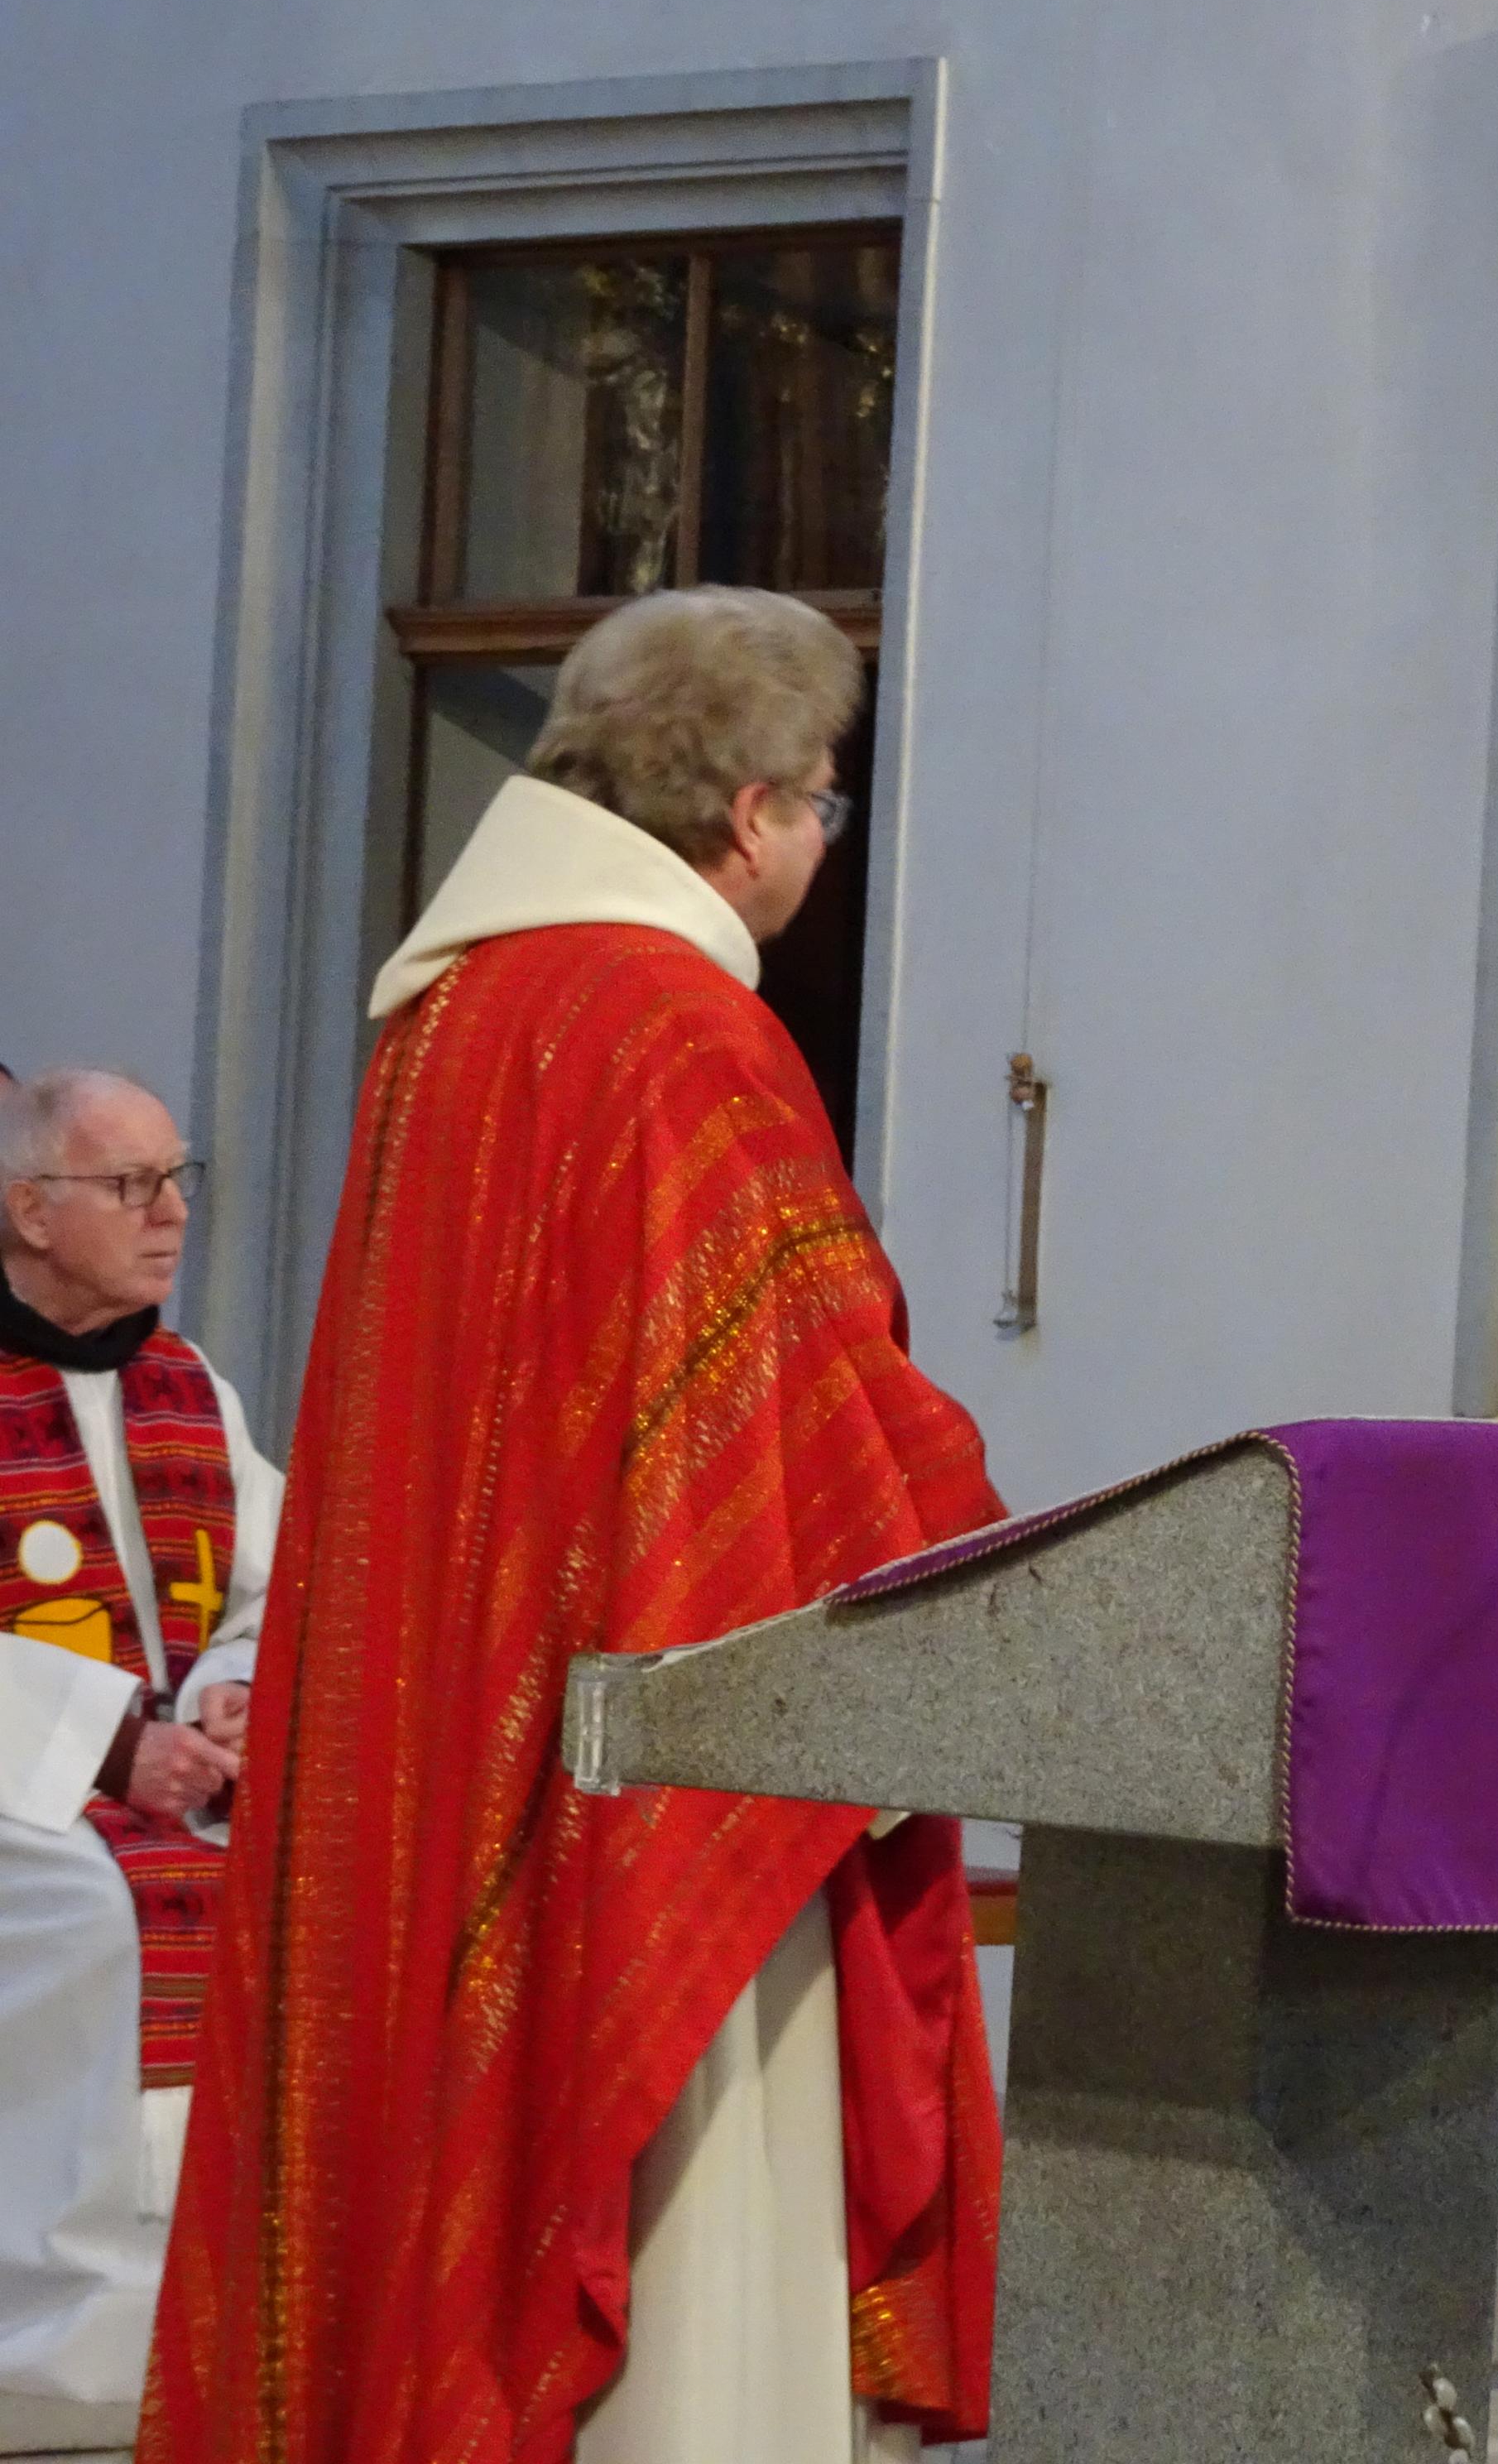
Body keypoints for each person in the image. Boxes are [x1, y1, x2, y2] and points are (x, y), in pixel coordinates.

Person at [146, 588, 1004, 2464]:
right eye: (825, 802)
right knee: (690, 2268)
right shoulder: (682, 1027)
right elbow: (818, 1429)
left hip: (467, 1719)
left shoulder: (454, 1011)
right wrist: (989, 1540)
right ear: (752, 811)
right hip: (670, 1772)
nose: (821, 840)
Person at [0, 1070, 272, 2452]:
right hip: (21, 1786)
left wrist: (233, 1690)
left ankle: (223, 2316)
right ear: (29, 1211)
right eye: (131, 1184)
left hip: (176, 1780)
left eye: (178, 1178)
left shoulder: (189, 1383)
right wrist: (110, 1745)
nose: (171, 1213)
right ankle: (58, 2355)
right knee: (94, 1909)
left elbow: (272, 1581)